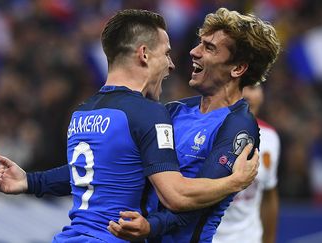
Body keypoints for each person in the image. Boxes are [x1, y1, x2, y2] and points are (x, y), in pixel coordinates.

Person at [0, 9, 259, 243]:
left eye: (208, 47)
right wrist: (234, 181)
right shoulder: (150, 114)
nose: (173, 63)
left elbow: (93, 170)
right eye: (166, 53)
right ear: (143, 54)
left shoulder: (83, 112)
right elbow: (176, 196)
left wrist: (31, 181)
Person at [105, 8, 280, 243]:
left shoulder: (239, 127)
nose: (193, 52)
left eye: (209, 48)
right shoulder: (174, 111)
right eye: (200, 43)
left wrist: (151, 227)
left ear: (237, 68)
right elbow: (114, 163)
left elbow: (191, 204)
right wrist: (40, 182)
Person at [212, 85, 280, 243]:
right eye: (241, 86)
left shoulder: (271, 138)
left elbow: (269, 195)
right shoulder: (206, 133)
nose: (248, 94)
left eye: (254, 86)